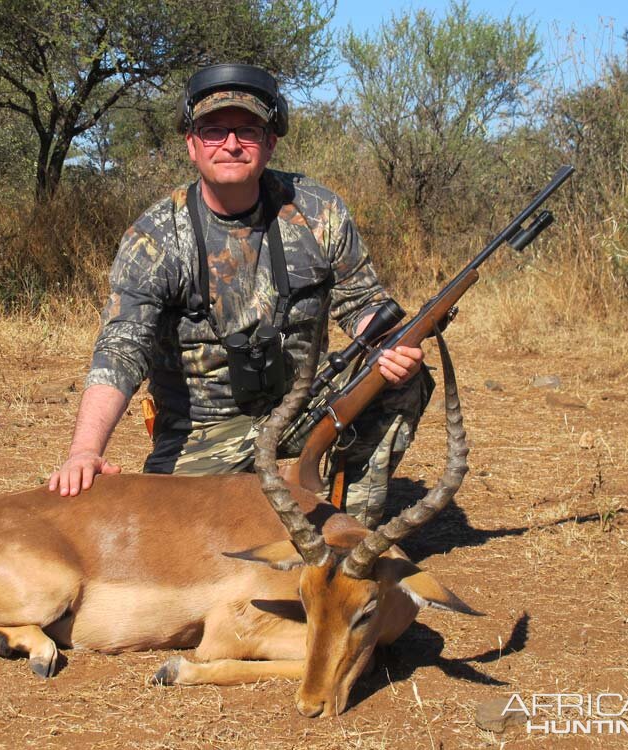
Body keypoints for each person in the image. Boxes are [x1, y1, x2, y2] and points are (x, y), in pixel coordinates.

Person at [49, 63, 433, 528]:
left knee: (399, 373)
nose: (231, 145)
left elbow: (365, 302)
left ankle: (349, 534)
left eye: (247, 131)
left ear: (271, 141)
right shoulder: (155, 237)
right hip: (203, 430)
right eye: (213, 131)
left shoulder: (318, 209)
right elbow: (120, 351)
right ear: (191, 144)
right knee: (173, 544)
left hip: (303, 407)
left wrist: (388, 343)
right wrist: (85, 452)